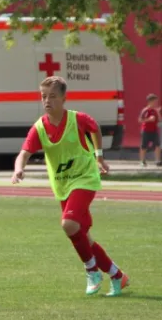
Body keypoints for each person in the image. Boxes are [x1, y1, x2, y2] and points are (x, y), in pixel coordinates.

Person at [12, 76, 129, 297]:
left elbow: (95, 128)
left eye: (52, 96)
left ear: (64, 98)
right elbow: (24, 153)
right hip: (63, 186)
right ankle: (117, 276)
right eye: (43, 96)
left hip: (85, 179)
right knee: (82, 234)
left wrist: (99, 157)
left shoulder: (78, 119)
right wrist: (19, 168)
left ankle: (91, 271)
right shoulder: (39, 128)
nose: (47, 101)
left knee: (68, 224)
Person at [138, 93, 161, 167]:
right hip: (146, 130)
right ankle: (142, 161)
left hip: (154, 130)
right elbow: (140, 120)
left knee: (157, 145)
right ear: (150, 101)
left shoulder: (155, 110)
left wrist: (158, 113)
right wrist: (148, 119)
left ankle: (157, 160)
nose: (155, 103)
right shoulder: (145, 110)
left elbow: (159, 120)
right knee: (144, 146)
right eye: (154, 101)